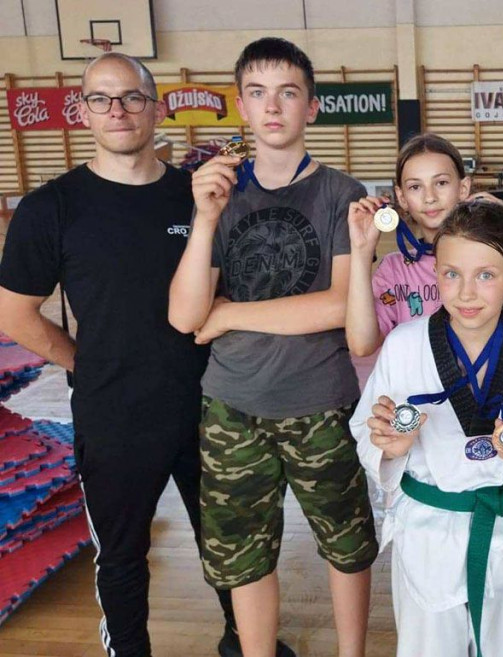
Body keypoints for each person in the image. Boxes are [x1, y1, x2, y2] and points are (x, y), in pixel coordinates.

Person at [0, 53, 295, 657]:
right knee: (123, 555)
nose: (118, 110)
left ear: (156, 109)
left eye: (132, 97)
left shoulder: (198, 196)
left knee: (230, 543)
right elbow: (14, 315)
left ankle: (245, 642)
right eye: (101, 99)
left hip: (211, 406)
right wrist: (85, 363)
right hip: (115, 415)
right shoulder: (51, 207)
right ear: (83, 111)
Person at [167, 37, 377, 657]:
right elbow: (185, 317)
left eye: (288, 93)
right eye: (258, 93)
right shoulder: (219, 193)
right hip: (232, 407)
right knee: (243, 556)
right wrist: (206, 219)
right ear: (242, 105)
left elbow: (340, 306)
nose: (273, 106)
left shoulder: (341, 192)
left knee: (347, 545)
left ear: (312, 107)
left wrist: (230, 313)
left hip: (321, 403)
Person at [350, 201, 503, 657]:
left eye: (485, 275)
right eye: (451, 274)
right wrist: (390, 447)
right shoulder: (404, 346)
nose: (466, 292)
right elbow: (365, 427)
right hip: (428, 531)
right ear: (436, 273)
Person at [346, 133, 503, 357]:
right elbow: (361, 345)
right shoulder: (395, 269)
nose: (430, 197)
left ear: (463, 187)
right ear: (401, 197)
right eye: (415, 187)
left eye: (441, 183)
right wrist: (361, 250)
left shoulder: (491, 257)